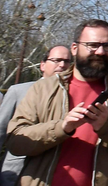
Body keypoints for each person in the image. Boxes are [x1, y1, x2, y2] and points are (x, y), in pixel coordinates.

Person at [6, 19, 108, 186]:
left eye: (107, 46)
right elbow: (16, 141)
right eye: (92, 45)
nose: (100, 52)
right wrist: (62, 128)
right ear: (74, 49)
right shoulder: (44, 88)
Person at [0, 46, 72, 186]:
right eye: (56, 60)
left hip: (54, 172)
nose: (62, 65)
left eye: (67, 61)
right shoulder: (18, 91)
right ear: (43, 65)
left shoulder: (71, 95)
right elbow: (1, 130)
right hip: (16, 172)